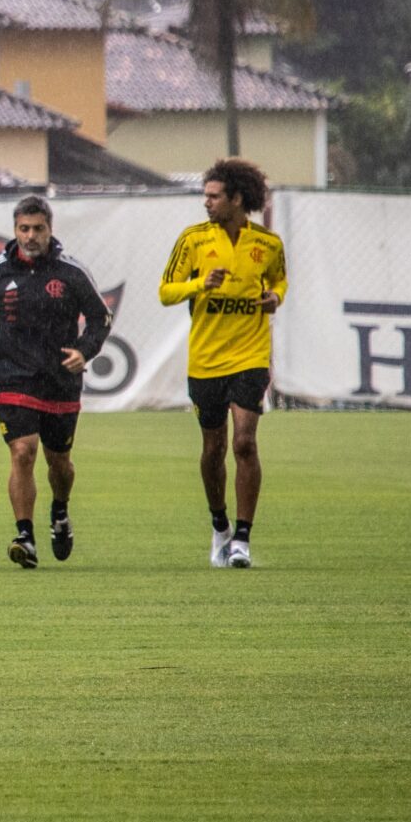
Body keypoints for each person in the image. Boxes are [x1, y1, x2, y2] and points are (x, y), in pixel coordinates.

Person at [0, 195, 112, 569]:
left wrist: (85, 350)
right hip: (14, 376)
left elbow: (101, 318)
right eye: (24, 229)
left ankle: (60, 511)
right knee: (22, 451)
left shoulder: (70, 272)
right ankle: (25, 536)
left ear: (50, 229)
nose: (31, 236)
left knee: (59, 462)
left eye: (38, 229)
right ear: (15, 230)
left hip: (60, 380)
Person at [159, 157, 288, 569]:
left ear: (237, 198)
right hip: (206, 360)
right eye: (205, 196)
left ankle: (243, 539)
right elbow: (166, 291)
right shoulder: (193, 240)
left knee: (244, 442)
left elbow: (279, 280)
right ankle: (220, 527)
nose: (207, 203)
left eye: (214, 196)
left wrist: (276, 298)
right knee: (213, 449)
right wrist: (201, 284)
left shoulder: (268, 244)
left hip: (250, 354)